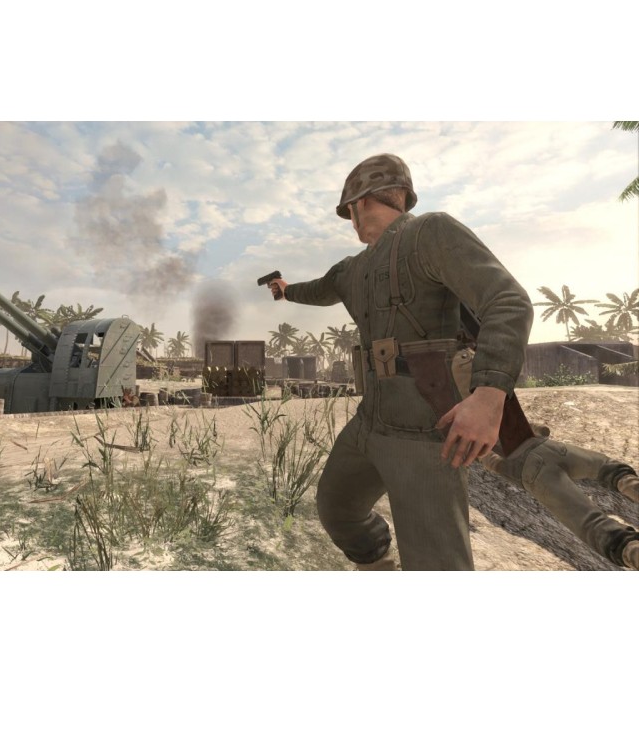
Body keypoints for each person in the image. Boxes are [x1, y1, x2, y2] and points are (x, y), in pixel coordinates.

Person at [268, 153, 534, 570]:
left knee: (437, 566)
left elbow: (508, 301)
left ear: (358, 203)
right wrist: (285, 290)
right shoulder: (352, 270)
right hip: (370, 422)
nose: (352, 221)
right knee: (337, 509)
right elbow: (316, 290)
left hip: (425, 430)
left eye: (350, 212)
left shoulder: (430, 232)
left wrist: (489, 397)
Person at [480, 434, 639, 569]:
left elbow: (489, 459)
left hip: (529, 467)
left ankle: (631, 551)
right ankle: (629, 485)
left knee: (590, 521)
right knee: (610, 468)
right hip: (548, 447)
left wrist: (500, 466)